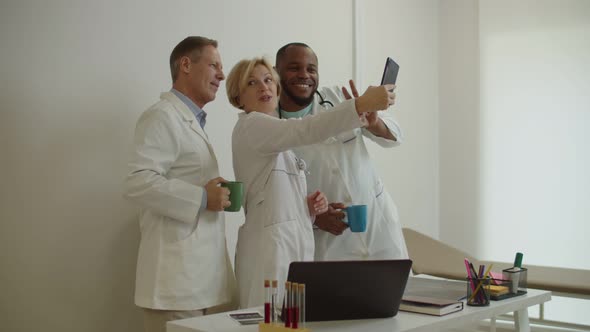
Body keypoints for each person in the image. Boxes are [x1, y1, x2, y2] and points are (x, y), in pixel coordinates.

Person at [225, 57, 394, 308]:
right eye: (252, 83)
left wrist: (308, 209)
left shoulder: (274, 137)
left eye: (268, 80)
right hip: (270, 253)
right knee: (269, 323)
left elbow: (271, 197)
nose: (264, 87)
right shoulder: (252, 126)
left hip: (291, 249)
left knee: (290, 321)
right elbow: (304, 129)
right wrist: (359, 105)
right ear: (238, 98)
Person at [124, 36, 235, 332]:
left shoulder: (191, 120)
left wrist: (212, 192)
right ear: (185, 65)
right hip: (174, 287)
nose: (222, 75)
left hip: (197, 281)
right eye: (214, 65)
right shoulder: (162, 116)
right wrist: (201, 197)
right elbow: (138, 182)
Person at [275, 42, 409, 261]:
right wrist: (314, 218)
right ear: (276, 72)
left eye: (311, 69)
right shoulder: (273, 126)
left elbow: (395, 135)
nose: (304, 75)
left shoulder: (339, 98)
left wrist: (373, 124)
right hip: (330, 244)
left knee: (393, 293)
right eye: (293, 67)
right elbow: (274, 196)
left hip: (379, 228)